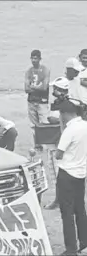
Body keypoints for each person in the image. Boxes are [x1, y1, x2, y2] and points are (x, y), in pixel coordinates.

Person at [54, 100, 87, 255]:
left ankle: (71, 248)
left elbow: (59, 153)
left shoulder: (70, 130)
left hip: (67, 173)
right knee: (80, 209)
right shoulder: (85, 126)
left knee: (67, 213)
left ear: (65, 114)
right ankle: (84, 242)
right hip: (81, 173)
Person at [43, 77, 70, 210]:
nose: (53, 91)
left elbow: (56, 119)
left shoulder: (66, 104)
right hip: (53, 142)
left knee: (60, 172)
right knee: (54, 171)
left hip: (60, 143)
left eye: (56, 89)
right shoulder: (58, 102)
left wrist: (51, 118)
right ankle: (59, 199)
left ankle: (61, 200)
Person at [24, 50, 51, 151]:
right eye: (32, 58)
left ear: (40, 59)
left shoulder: (45, 70)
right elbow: (26, 89)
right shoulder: (28, 71)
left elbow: (44, 87)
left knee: (44, 122)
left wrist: (32, 87)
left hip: (42, 101)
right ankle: (37, 144)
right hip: (31, 100)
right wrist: (37, 87)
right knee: (33, 125)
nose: (34, 60)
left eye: (36, 58)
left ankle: (46, 145)